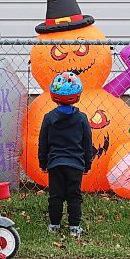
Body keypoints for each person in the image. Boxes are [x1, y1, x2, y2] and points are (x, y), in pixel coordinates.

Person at [38, 72, 92, 236]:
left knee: (56, 196)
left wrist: (43, 163)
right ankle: (74, 227)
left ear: (54, 95)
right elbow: (87, 143)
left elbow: (43, 142)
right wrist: (87, 164)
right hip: (75, 164)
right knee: (74, 195)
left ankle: (54, 225)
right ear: (77, 95)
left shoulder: (48, 118)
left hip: (55, 164)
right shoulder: (82, 118)